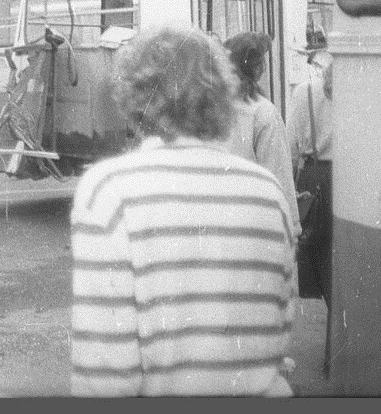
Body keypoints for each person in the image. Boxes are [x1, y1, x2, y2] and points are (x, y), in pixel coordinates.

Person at [71, 25, 296, 397]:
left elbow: (106, 376)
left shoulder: (110, 192)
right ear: (223, 94)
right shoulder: (268, 194)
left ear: (136, 94)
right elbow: (275, 336)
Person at [221, 32, 300, 238]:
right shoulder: (263, 112)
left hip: (220, 219)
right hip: (254, 221)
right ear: (258, 68)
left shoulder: (214, 108)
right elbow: (279, 177)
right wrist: (292, 228)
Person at [287, 46, 334, 303]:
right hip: (349, 178)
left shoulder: (303, 92)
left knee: (317, 250)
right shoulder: (359, 90)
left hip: (314, 177)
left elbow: (292, 146)